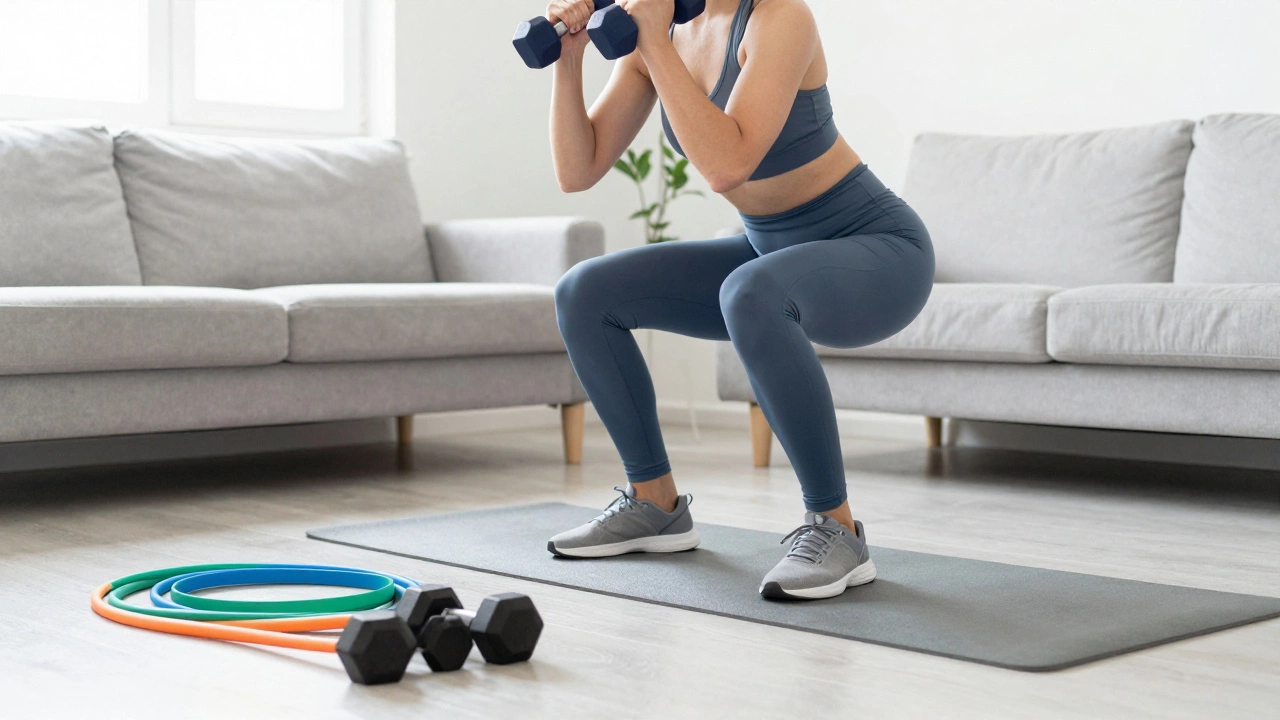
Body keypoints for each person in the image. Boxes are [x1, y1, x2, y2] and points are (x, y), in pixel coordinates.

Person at [543, 0, 935, 600]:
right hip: (768, 252)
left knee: (750, 290)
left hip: (878, 251)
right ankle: (654, 503)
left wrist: (653, 42)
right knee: (584, 292)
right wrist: (569, 62)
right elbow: (578, 169)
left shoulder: (781, 19)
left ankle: (837, 528)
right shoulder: (663, 33)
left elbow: (727, 165)